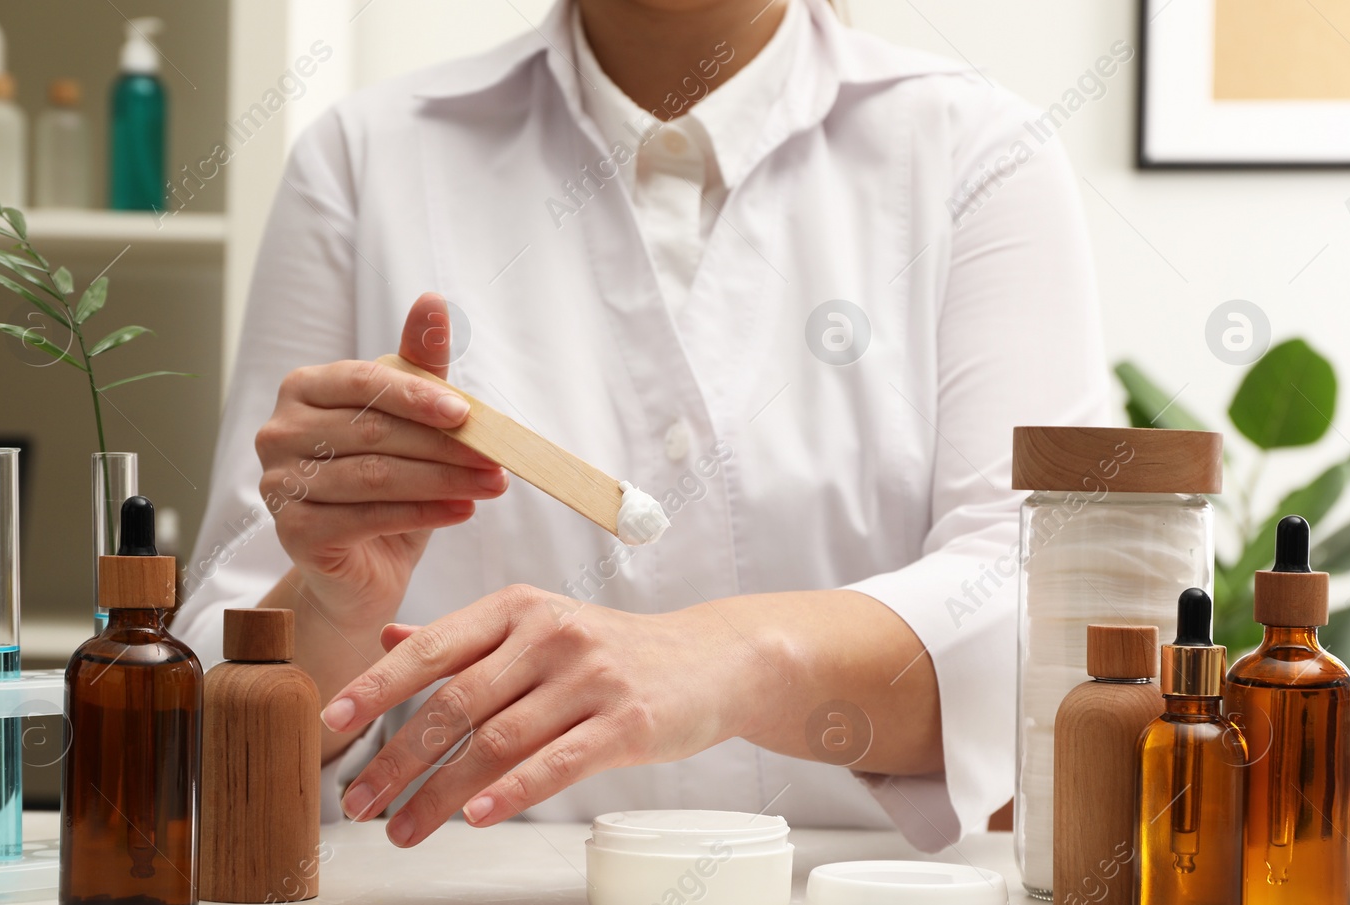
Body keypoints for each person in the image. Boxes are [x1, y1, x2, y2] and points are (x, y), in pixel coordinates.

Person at [175, 0, 1111, 852]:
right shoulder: (366, 156)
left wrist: (732, 659)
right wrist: (332, 606)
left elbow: (1044, 628)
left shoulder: (980, 152)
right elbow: (214, 729)